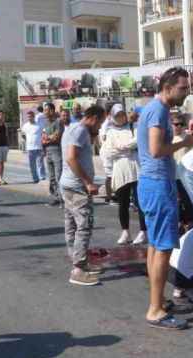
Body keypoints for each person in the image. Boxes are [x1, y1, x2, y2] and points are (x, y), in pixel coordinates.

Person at [137, 67, 193, 330]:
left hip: (152, 184)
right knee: (162, 248)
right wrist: (184, 142)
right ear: (168, 86)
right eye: (183, 88)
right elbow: (156, 149)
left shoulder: (153, 109)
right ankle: (155, 310)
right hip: (158, 184)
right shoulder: (158, 110)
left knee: (154, 244)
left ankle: (157, 301)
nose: (186, 93)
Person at [60, 105, 106, 286]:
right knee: (84, 225)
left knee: (72, 224)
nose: (100, 127)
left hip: (69, 184)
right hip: (76, 187)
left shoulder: (74, 128)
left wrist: (92, 134)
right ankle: (78, 269)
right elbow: (71, 158)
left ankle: (79, 261)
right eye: (100, 122)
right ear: (93, 118)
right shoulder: (79, 131)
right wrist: (87, 182)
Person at [102, 104, 147, 245]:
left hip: (135, 167)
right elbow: (109, 152)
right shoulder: (110, 132)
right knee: (123, 202)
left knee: (140, 202)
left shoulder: (133, 127)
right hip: (120, 169)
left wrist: (122, 147)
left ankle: (143, 231)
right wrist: (128, 148)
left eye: (122, 114)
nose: (120, 118)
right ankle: (125, 231)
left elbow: (138, 141)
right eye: (117, 115)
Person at [42, 103, 65, 207]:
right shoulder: (46, 123)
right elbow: (43, 137)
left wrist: (48, 138)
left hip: (56, 150)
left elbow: (57, 137)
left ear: (51, 111)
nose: (44, 112)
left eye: (46, 110)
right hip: (48, 151)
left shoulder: (58, 122)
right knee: (51, 177)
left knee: (59, 175)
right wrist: (47, 139)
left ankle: (63, 199)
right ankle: (56, 197)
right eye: (44, 110)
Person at [21, 110, 47, 183]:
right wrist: (28, 141)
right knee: (32, 165)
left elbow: (44, 134)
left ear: (33, 117)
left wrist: (44, 144)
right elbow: (23, 134)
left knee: (40, 163)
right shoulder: (25, 126)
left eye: (31, 116)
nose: (29, 118)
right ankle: (35, 178)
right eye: (28, 117)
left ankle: (42, 177)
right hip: (30, 148)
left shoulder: (39, 124)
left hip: (39, 147)